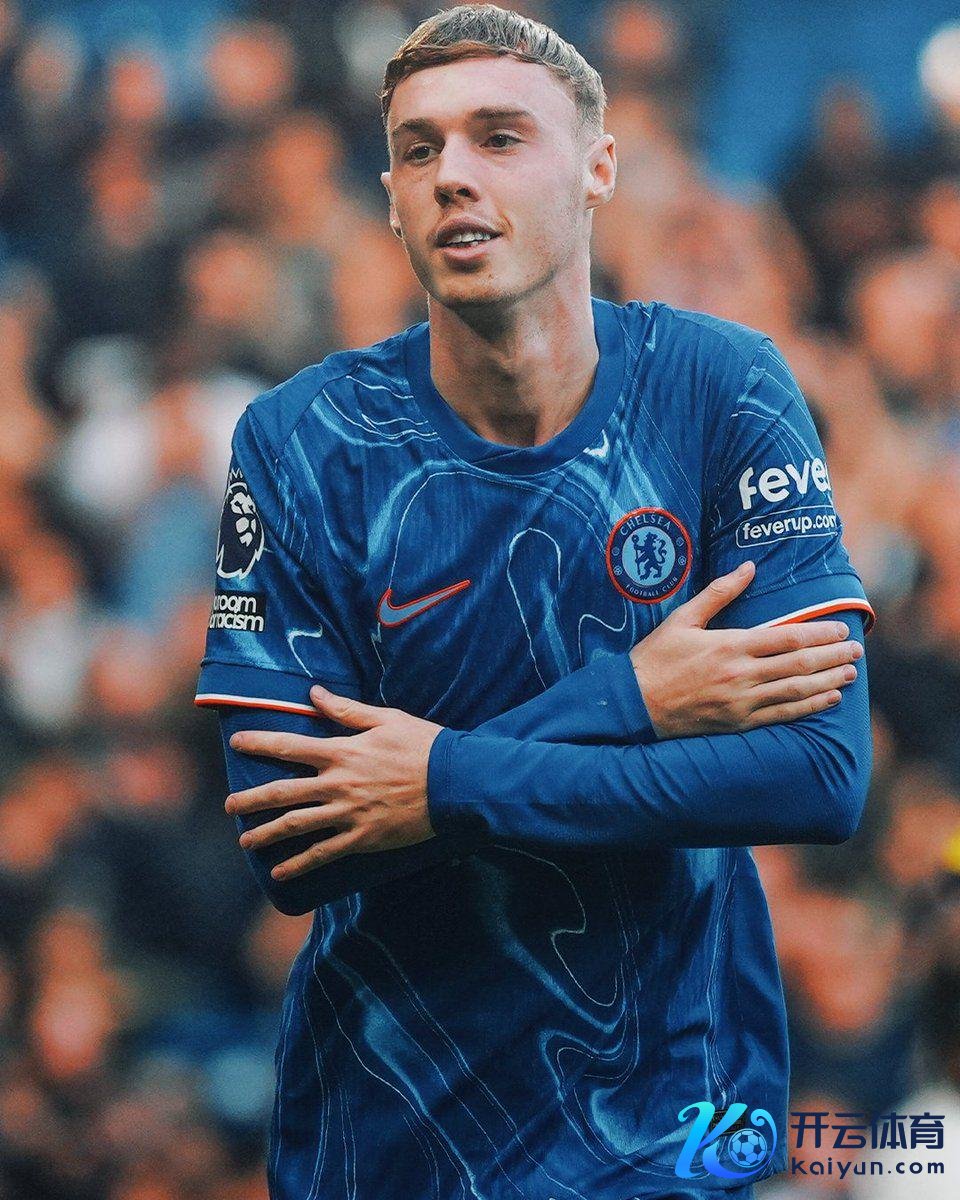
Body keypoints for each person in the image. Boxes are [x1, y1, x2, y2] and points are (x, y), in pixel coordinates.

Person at [194, 7, 874, 1197]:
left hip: (674, 1130)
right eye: (418, 150)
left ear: (600, 168)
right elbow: (294, 840)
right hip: (390, 1130)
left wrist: (442, 780)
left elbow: (818, 774)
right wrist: (631, 700)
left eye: (500, 137)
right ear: (391, 197)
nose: (452, 174)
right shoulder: (300, 441)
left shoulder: (722, 387)